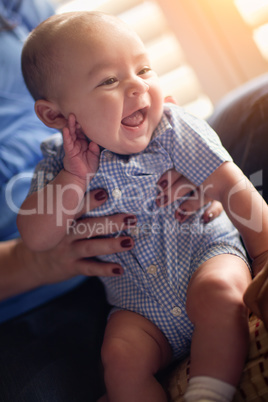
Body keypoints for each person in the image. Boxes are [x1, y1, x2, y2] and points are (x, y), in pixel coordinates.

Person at [17, 12, 268, 402]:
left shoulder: (172, 128)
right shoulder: (57, 164)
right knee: (118, 357)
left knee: (221, 293)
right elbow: (35, 236)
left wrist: (265, 251)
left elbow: (233, 186)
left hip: (205, 257)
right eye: (109, 81)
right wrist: (73, 179)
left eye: (144, 69)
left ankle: (206, 394)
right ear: (55, 116)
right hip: (139, 307)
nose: (137, 86)